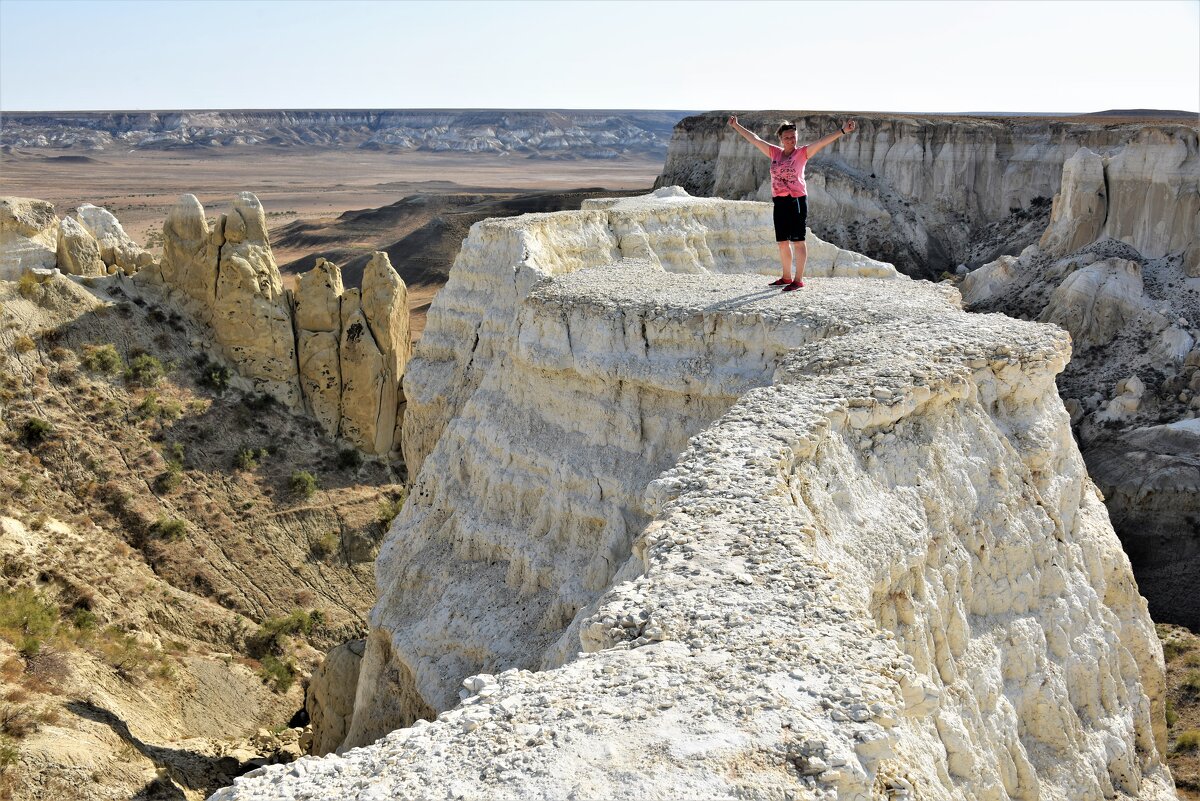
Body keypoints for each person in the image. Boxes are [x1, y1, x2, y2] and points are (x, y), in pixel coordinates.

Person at [728, 115, 857, 291]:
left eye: (793, 136)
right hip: (779, 201)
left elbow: (821, 142)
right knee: (782, 242)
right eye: (787, 137)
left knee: (798, 241)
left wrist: (843, 130)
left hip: (796, 200)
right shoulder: (774, 152)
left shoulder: (802, 153)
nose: (791, 140)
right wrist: (736, 126)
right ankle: (786, 277)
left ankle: (798, 280)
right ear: (781, 139)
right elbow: (754, 139)